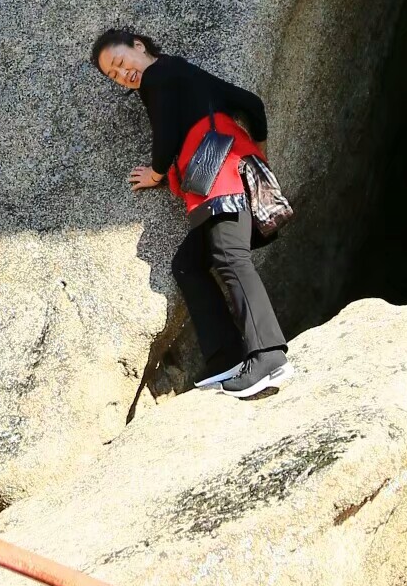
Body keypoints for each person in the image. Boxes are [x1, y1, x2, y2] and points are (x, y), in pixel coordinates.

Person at [91, 27, 291, 398]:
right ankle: (227, 356)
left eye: (120, 62)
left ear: (139, 46)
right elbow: (252, 104)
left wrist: (155, 172)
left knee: (231, 259)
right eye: (115, 76)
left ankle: (268, 356)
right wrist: (255, 154)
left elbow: (166, 138)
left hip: (222, 182)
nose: (124, 75)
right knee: (188, 264)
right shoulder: (183, 75)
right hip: (228, 177)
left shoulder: (158, 74)